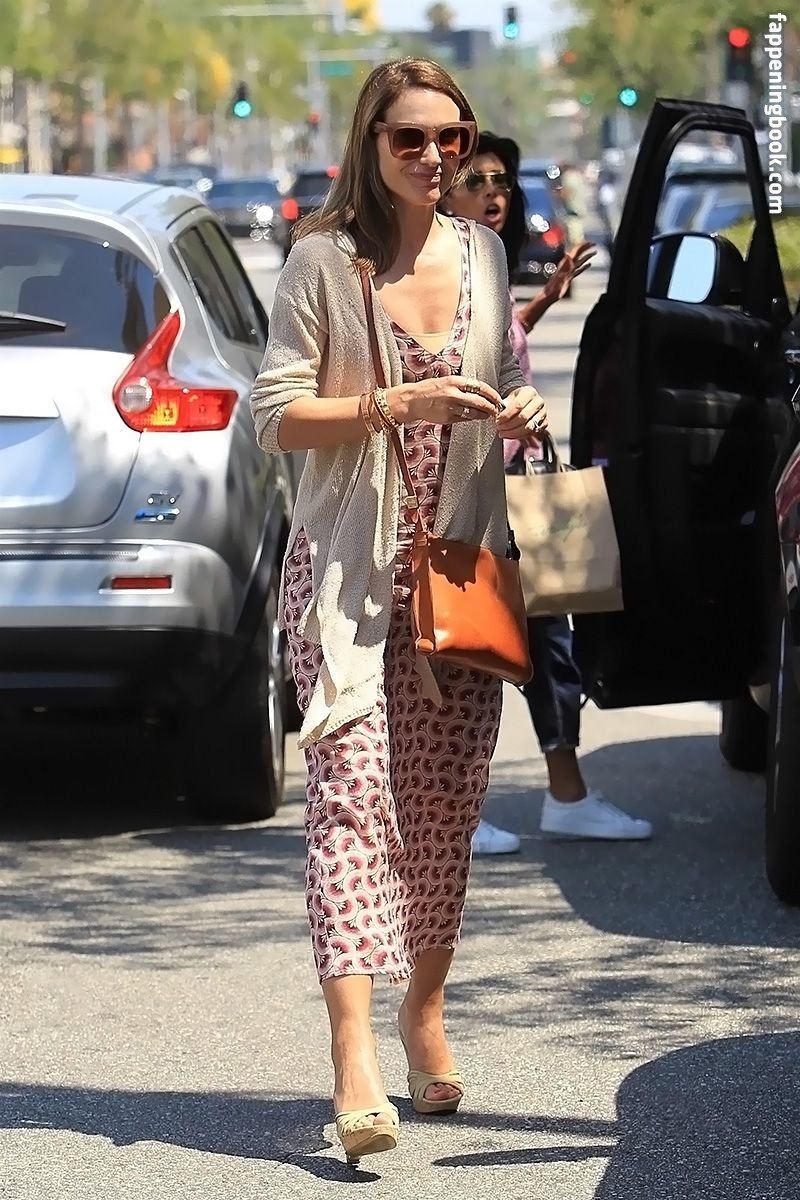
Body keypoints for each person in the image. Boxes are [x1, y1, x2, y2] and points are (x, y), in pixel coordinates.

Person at [249, 62, 547, 1166]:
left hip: (459, 578)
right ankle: (355, 1059)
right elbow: (275, 415)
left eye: (450, 138)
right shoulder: (322, 263)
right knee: (348, 805)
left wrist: (519, 411)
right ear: (368, 142)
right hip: (345, 577)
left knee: (440, 816)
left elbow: (502, 379)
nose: (433, 157)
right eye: (409, 138)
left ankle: (424, 1012)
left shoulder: (483, 253)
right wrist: (392, 403)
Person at [443, 131, 653, 854]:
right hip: (465, 492)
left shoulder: (488, 265)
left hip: (513, 486)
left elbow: (502, 345)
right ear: (444, 189)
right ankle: (454, 811)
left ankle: (567, 795)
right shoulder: (441, 272)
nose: (492, 193)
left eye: (501, 181)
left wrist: (543, 302)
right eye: (475, 180)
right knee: (466, 646)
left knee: (548, 641)